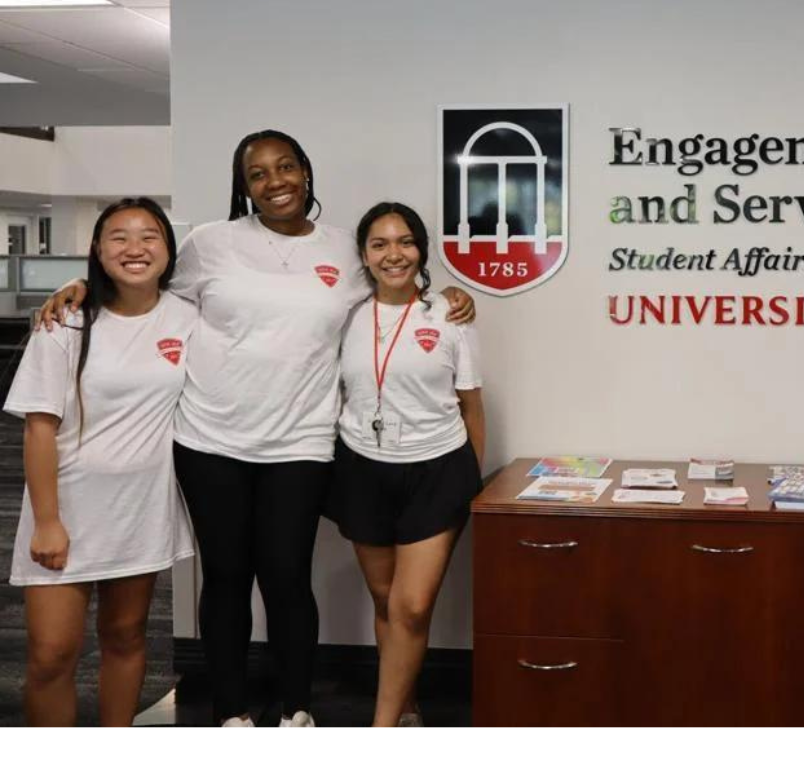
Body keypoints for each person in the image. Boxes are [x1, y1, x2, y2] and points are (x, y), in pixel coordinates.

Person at [39, 129, 476, 727]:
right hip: (210, 438)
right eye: (258, 174)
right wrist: (84, 285)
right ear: (244, 187)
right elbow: (145, 286)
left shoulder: (345, 248)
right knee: (225, 577)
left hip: (301, 440)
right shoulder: (210, 243)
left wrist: (450, 294)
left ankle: (296, 708)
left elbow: (396, 284)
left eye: (286, 167)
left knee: (288, 576)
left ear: (306, 171)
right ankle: (230, 712)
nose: (275, 182)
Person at [6, 198, 196, 726]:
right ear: (97, 249)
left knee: (126, 638)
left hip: (140, 510)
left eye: (149, 235)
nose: (135, 248)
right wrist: (47, 522)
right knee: (50, 655)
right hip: (64, 510)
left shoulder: (188, 317)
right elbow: (39, 426)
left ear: (168, 248)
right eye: (119, 236)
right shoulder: (65, 321)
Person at [331, 202, 484, 727]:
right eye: (379, 244)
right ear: (364, 255)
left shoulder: (449, 314)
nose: (394, 254)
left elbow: (472, 406)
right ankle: (406, 705)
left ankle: (381, 728)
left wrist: (471, 486)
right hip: (361, 467)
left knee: (412, 606)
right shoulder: (345, 314)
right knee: (385, 599)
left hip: (437, 469)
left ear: (421, 250)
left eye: (405, 242)